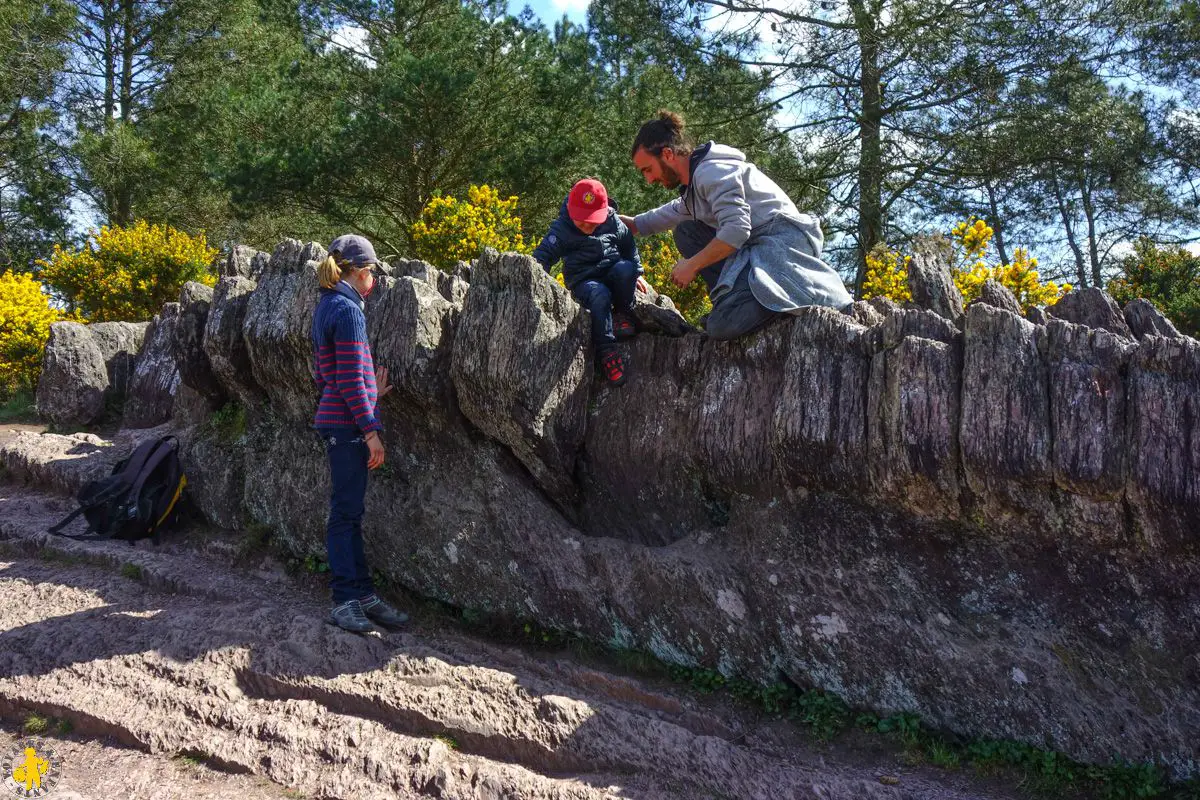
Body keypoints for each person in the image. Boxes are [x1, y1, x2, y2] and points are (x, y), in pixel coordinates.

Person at [621, 110, 852, 340]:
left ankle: (778, 301)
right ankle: (735, 301)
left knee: (720, 327)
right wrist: (634, 224)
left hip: (781, 245)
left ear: (668, 154)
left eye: (648, 170)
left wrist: (691, 265)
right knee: (687, 232)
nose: (649, 180)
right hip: (756, 246)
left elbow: (737, 229)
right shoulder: (695, 183)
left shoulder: (711, 173)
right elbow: (673, 212)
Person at [311, 233, 409, 632]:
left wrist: (373, 389)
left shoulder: (327, 304)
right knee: (345, 514)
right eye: (373, 273)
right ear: (359, 271)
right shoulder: (349, 311)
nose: (376, 281)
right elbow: (348, 376)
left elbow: (325, 373)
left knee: (350, 512)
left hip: (338, 418)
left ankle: (362, 594)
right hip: (348, 424)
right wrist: (371, 430)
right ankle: (344, 600)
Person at [532, 178, 643, 386]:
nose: (586, 225)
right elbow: (542, 257)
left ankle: (622, 313)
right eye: (581, 219)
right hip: (584, 281)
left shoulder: (612, 221)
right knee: (599, 294)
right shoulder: (563, 228)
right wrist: (535, 287)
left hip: (611, 271)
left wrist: (637, 272)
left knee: (626, 269)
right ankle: (607, 351)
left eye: (593, 220)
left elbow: (628, 244)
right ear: (571, 210)